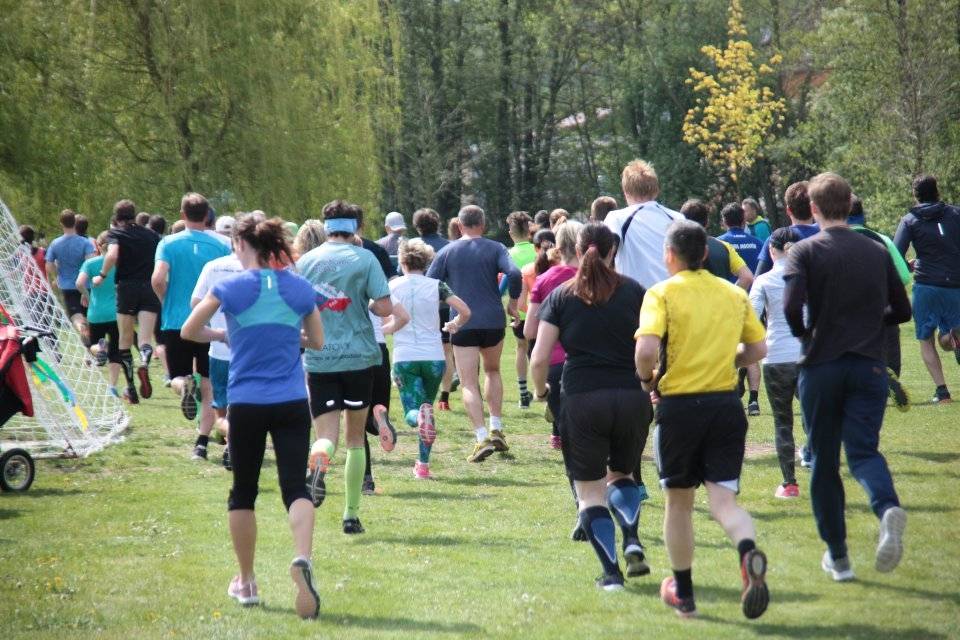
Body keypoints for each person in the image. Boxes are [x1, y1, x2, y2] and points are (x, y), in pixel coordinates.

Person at [181, 214, 324, 619]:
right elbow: (317, 341)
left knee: (243, 492)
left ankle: (246, 582)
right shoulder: (299, 287)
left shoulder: (229, 287)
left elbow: (190, 330)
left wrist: (224, 334)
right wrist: (288, 335)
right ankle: (302, 557)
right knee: (295, 487)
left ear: (242, 245)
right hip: (291, 400)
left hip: (246, 402)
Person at [635, 219, 769, 619]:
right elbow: (758, 349)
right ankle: (747, 551)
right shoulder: (733, 293)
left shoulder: (661, 293)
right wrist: (728, 361)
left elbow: (646, 351)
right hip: (726, 405)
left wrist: (647, 380)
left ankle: (685, 594)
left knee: (679, 504)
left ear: (669, 255)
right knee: (724, 502)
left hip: (680, 409)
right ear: (707, 254)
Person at [784, 172, 911, 582]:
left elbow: (791, 307)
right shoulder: (876, 249)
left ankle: (838, 557)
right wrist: (872, 322)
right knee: (863, 452)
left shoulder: (805, 250)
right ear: (850, 203)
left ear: (813, 208)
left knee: (824, 461)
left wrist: (806, 334)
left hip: (822, 365)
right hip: (869, 365)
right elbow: (902, 309)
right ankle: (886, 506)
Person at [531, 223, 651, 590]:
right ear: (613, 250)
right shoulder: (635, 291)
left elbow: (539, 357)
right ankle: (632, 537)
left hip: (582, 398)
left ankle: (612, 574)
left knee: (589, 492)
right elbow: (652, 347)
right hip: (631, 395)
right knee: (623, 475)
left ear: (578, 250)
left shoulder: (562, 296)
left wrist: (540, 391)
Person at [298, 200, 394, 534]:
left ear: (326, 226)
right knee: (355, 440)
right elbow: (385, 307)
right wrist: (369, 304)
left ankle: (319, 459)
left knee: (326, 436)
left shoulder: (305, 261)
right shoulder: (365, 258)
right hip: (358, 358)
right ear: (356, 227)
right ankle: (351, 515)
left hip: (319, 357)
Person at [426, 205, 521, 462]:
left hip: (463, 321)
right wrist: (513, 303)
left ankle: (481, 438)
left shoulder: (447, 251)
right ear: (483, 224)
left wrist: (447, 301)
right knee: (493, 371)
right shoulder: (496, 248)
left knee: (468, 382)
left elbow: (430, 283)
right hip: (493, 319)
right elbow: (514, 272)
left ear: (459, 226)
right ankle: (496, 427)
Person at [152, 193, 231, 459]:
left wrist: (167, 300)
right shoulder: (221, 244)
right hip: (210, 323)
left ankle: (183, 385)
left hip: (177, 320)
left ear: (182, 215)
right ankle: (201, 443)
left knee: (176, 376)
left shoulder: (168, 243)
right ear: (207, 215)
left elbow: (158, 279)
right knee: (209, 387)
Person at [386, 239, 471, 479]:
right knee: (427, 409)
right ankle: (422, 465)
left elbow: (376, 309)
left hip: (405, 358)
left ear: (402, 261)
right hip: (434, 358)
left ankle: (418, 420)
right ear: (426, 263)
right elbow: (465, 311)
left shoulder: (392, 286)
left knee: (413, 413)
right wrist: (454, 323)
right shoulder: (437, 285)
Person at [354, 204, 409, 496]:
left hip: (351, 350)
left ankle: (366, 479)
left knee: (354, 421)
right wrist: (386, 327)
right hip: (377, 348)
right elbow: (399, 313)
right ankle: (380, 420)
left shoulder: (334, 275)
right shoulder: (376, 271)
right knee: (374, 410)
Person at [893, 175, 960, 403]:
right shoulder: (956, 214)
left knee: (926, 339)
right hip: (955, 284)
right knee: (949, 334)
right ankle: (953, 336)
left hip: (926, 285)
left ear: (916, 195)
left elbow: (896, 254)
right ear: (937, 191)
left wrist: (908, 266)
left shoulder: (909, 220)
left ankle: (942, 393)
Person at [749, 228, 805, 498]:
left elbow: (750, 317)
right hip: (808, 355)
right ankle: (818, 465)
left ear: (772, 250)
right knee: (814, 417)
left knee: (783, 423)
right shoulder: (811, 277)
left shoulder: (764, 280)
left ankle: (789, 484)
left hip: (777, 357)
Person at [849, 196, 912, 411]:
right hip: (884, 305)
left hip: (852, 308)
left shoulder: (834, 241)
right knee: (890, 349)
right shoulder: (882, 239)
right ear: (862, 215)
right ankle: (889, 377)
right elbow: (904, 275)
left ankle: (870, 386)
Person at [96, 199, 162, 404]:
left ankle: (131, 389)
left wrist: (102, 275)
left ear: (116, 217)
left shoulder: (116, 233)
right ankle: (144, 360)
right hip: (149, 288)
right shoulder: (152, 235)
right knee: (145, 339)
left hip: (126, 288)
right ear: (134, 215)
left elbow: (112, 255)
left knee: (124, 340)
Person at [191, 237, 245, 470]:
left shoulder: (213, 266)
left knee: (220, 407)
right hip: (251, 351)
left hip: (220, 348)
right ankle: (235, 443)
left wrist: (214, 325)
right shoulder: (259, 269)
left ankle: (229, 439)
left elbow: (195, 303)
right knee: (244, 405)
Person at [524, 224, 574, 450]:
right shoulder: (596, 277)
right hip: (591, 365)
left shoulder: (544, 279)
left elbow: (529, 331)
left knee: (572, 440)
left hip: (554, 363)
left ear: (559, 248)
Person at [604, 159, 684, 289]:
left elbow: (605, 255)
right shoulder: (678, 218)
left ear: (625, 192)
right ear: (656, 190)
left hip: (637, 297)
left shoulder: (616, 218)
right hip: (676, 295)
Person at [413, 208, 456, 411]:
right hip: (445, 305)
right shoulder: (449, 247)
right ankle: (444, 396)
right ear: (437, 224)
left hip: (420, 307)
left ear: (417, 226)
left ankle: (423, 392)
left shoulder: (412, 247)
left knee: (422, 347)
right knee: (447, 349)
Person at [77, 232, 121, 397]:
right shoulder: (119, 263)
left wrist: (87, 295)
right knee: (115, 351)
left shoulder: (90, 263)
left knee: (93, 345)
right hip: (116, 312)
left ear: (97, 245)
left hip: (96, 312)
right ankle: (113, 386)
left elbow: (79, 283)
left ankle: (100, 348)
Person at [45, 209, 96, 342]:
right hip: (85, 285)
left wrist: (56, 277)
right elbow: (90, 263)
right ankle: (93, 345)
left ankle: (83, 331)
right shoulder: (85, 242)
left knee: (76, 316)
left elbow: (49, 264)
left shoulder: (55, 243)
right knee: (88, 317)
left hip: (67, 286)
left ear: (61, 223)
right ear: (74, 222)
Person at [679, 199, 754, 290]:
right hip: (720, 297)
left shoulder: (675, 249)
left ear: (681, 221)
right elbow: (747, 277)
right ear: (707, 222)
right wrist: (730, 295)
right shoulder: (724, 246)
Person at [755, 182, 819, 275]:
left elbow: (758, 278)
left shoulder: (776, 239)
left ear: (788, 210)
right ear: (813, 208)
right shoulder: (827, 233)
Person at [506, 211, 536, 409]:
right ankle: (545, 388)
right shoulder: (538, 251)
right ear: (529, 231)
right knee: (540, 350)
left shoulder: (508, 255)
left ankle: (523, 393)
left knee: (521, 347)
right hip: (539, 309)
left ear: (511, 233)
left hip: (518, 309)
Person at [718, 203, 764, 275]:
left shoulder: (718, 243)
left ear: (724, 222)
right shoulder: (759, 243)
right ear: (744, 220)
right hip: (754, 282)